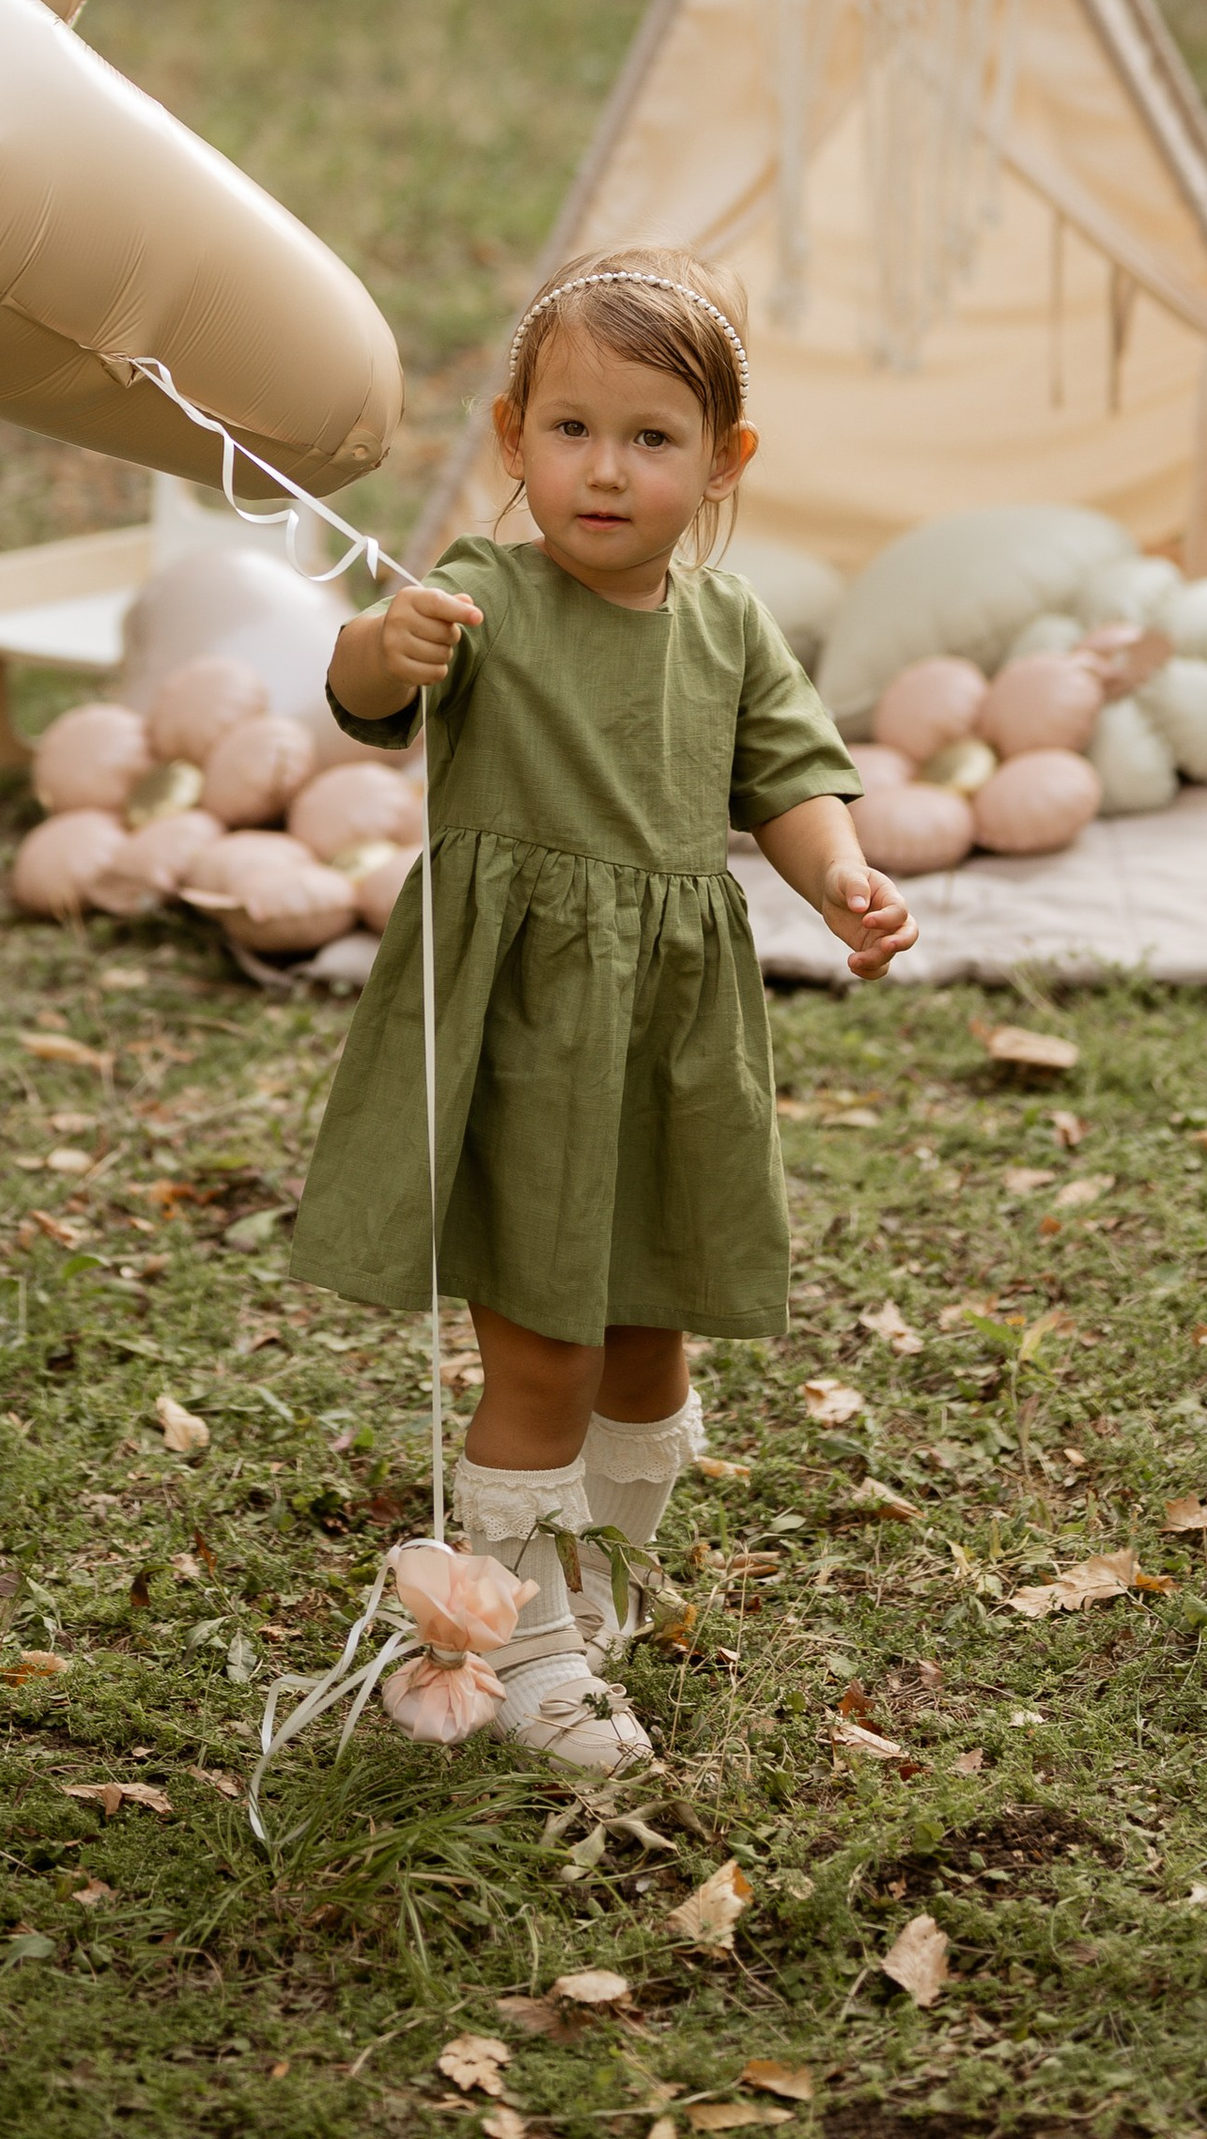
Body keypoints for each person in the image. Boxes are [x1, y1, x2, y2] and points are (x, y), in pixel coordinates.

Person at [289, 242, 917, 1771]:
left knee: (651, 1344)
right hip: (519, 1041)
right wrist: (390, 640)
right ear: (512, 439)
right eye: (570, 430)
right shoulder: (482, 596)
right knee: (546, 1354)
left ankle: (595, 1589)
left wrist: (841, 881)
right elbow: (364, 694)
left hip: (670, 1043)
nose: (607, 470)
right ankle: (526, 1655)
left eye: (653, 438)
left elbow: (793, 781)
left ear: (722, 465)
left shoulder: (729, 628)